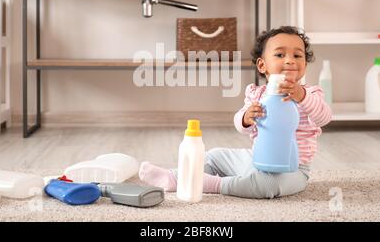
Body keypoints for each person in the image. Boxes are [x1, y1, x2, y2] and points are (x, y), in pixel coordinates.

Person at [139, 26, 332, 199]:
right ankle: (174, 176)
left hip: (293, 169)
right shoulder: (257, 94)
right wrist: (247, 117)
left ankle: (212, 184)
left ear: (305, 65)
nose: (290, 60)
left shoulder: (310, 93)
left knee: (267, 186)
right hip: (257, 159)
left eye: (297, 56)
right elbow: (240, 125)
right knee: (214, 156)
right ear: (262, 65)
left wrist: (301, 96)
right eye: (280, 55)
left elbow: (324, 117)